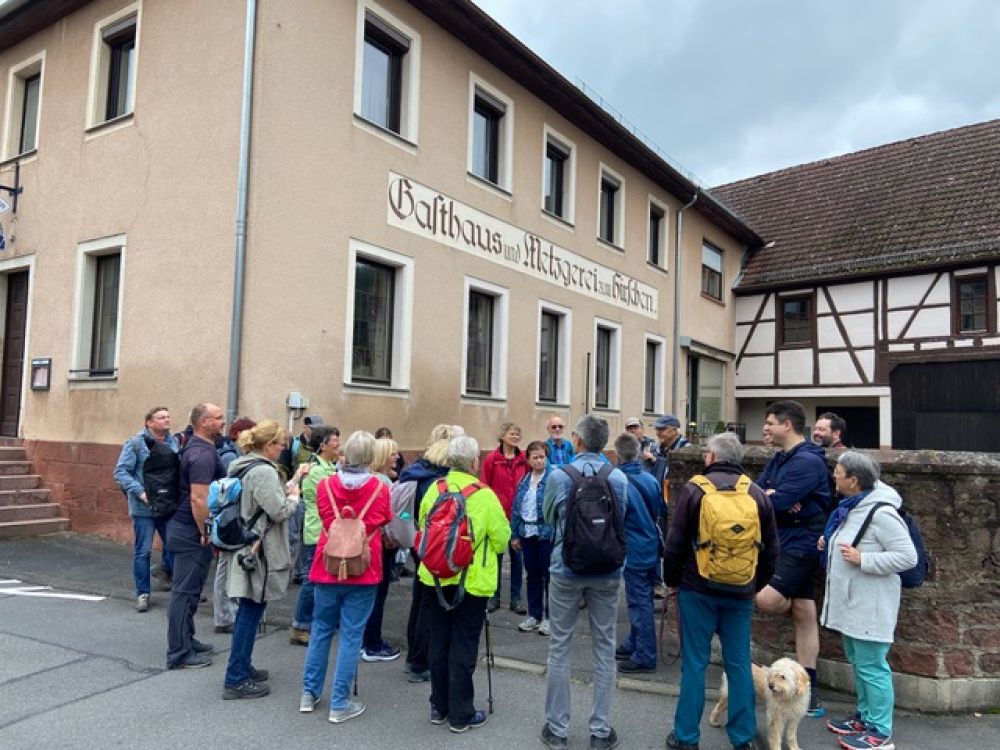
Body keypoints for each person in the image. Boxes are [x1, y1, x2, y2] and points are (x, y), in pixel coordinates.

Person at [662, 432, 779, 750]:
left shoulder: (694, 490)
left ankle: (687, 738)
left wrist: (672, 579)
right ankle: (742, 739)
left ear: (711, 457)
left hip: (697, 588)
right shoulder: (756, 493)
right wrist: (755, 584)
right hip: (740, 591)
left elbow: (675, 543)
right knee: (739, 663)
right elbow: (771, 549)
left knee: (695, 664)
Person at [540, 414, 629, 750]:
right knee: (604, 647)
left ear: (577, 440)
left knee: (559, 646)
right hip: (607, 570)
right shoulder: (618, 477)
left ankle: (558, 729)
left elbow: (550, 518)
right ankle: (600, 730)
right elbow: (622, 517)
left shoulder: (560, 476)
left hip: (566, 568)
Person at [819, 452, 916, 750]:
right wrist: (829, 542)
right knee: (860, 663)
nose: (833, 475)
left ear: (854, 480)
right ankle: (865, 716)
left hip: (870, 606)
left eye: (838, 471)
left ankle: (880, 730)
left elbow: (907, 556)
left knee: (872, 666)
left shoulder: (881, 513)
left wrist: (864, 559)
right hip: (853, 603)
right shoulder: (854, 507)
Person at [418, 435, 510, 733]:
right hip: (471, 581)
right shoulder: (484, 495)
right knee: (463, 644)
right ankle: (461, 713)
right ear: (474, 462)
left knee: (439, 640)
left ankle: (437, 706)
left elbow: (423, 526)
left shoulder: (436, 488)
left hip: (434, 576)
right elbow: (501, 538)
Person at [300, 430, 392, 723]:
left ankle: (308, 692)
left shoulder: (325, 484)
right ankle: (339, 702)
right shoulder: (380, 488)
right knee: (352, 635)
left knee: (321, 629)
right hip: (364, 568)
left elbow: (326, 518)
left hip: (327, 564)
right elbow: (384, 519)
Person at [755, 399, 832, 717]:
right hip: (784, 539)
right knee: (803, 611)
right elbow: (758, 494)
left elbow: (776, 501)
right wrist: (774, 498)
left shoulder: (807, 462)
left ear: (788, 425)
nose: (765, 428)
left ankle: (807, 689)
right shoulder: (779, 459)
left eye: (770, 422)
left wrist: (778, 499)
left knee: (767, 600)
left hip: (803, 543)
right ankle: (808, 690)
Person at [221, 421, 301, 699]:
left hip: (245, 544)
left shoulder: (241, 465)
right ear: (268, 446)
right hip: (259, 550)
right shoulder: (264, 471)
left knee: (248, 610)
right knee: (251, 611)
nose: (283, 449)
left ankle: (241, 666)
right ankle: (236, 679)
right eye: (281, 444)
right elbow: (278, 511)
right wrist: (294, 497)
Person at [399, 424, 463, 683]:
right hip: (435, 544)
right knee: (430, 604)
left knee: (420, 600)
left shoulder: (414, 473)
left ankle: (415, 656)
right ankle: (419, 661)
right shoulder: (437, 481)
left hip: (418, 542)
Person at [165, 402, 226, 669]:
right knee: (183, 592)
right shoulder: (201, 455)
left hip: (187, 528)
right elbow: (198, 498)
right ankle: (179, 652)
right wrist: (205, 531)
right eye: (218, 418)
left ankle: (187, 640)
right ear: (203, 423)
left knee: (190, 592)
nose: (223, 421)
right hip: (191, 530)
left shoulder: (198, 447)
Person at [113, 406, 179, 613]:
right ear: (149, 422)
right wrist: (141, 493)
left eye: (168, 417)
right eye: (161, 417)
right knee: (143, 551)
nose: (166, 420)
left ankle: (179, 587)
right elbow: (121, 472)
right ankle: (143, 593)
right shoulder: (135, 443)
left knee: (174, 545)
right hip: (144, 508)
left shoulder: (173, 441)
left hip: (167, 504)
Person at [613, 432, 663, 674]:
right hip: (650, 544)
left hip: (633, 548)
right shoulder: (650, 479)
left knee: (639, 601)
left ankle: (645, 654)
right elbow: (658, 511)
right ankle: (634, 643)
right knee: (641, 598)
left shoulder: (617, 481)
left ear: (618, 454)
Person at [289, 425, 340, 646]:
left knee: (325, 579)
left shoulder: (328, 466)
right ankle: (300, 625)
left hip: (329, 531)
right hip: (317, 530)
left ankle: (320, 621)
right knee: (311, 580)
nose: (339, 443)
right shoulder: (315, 470)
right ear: (324, 444)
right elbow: (328, 499)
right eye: (335, 440)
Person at [212, 416, 257, 634]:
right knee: (225, 568)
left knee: (226, 567)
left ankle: (225, 615)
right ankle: (224, 616)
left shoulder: (236, 454)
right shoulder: (231, 456)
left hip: (231, 518)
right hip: (231, 519)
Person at [480, 421, 530, 614]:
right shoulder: (492, 459)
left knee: (517, 559)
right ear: (502, 436)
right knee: (497, 558)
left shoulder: (523, 459)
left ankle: (516, 598)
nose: (515, 436)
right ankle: (494, 596)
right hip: (498, 515)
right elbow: (485, 485)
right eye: (512, 433)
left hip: (518, 516)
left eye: (518, 433)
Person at [361, 436, 403, 662]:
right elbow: (392, 517)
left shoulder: (368, 478)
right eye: (393, 453)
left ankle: (364, 640)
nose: (397, 456)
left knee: (367, 595)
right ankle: (373, 644)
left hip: (364, 543)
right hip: (381, 544)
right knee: (378, 595)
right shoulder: (384, 483)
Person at [511, 440, 554, 635]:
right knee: (532, 576)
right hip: (527, 534)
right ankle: (534, 615)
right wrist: (515, 534)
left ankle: (550, 617)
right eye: (535, 457)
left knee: (549, 577)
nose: (539, 461)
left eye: (542, 457)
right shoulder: (524, 480)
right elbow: (516, 509)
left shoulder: (553, 478)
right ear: (528, 460)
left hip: (546, 534)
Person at [287, 414, 325, 584]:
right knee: (293, 535)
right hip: (297, 495)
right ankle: (288, 570)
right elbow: (286, 467)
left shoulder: (320, 447)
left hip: (309, 497)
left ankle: (301, 572)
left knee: (306, 536)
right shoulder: (295, 445)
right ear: (305, 428)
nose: (316, 431)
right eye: (313, 428)